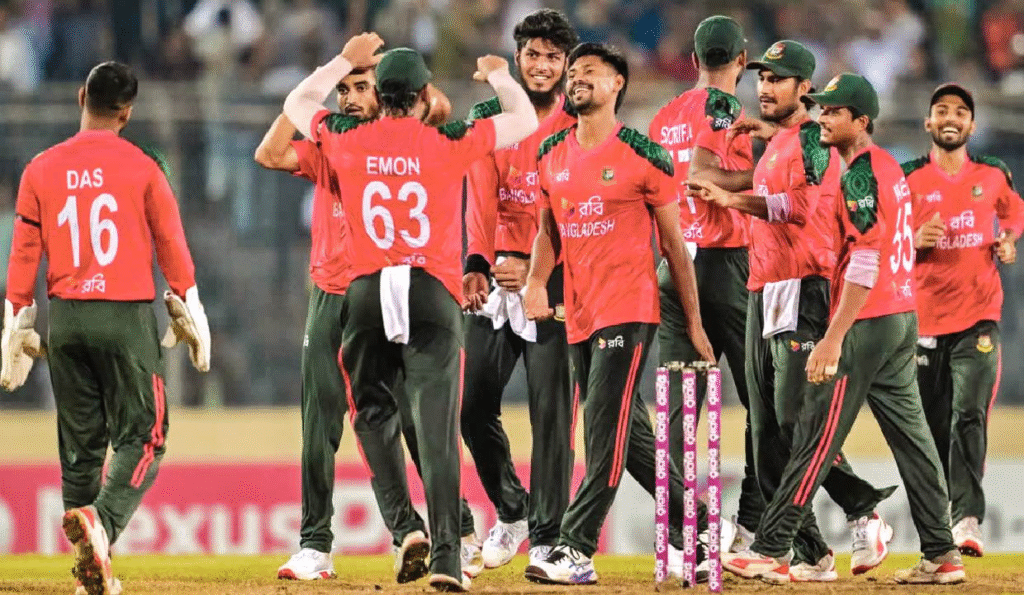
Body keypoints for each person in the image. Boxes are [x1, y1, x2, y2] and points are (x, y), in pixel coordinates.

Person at [283, 33, 539, 591]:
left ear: (379, 94)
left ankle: (406, 528)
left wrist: (341, 62)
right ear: (424, 95)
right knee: (437, 427)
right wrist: (499, 74)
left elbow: (296, 104)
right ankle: (448, 555)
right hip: (430, 291)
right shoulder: (450, 138)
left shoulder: (345, 136)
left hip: (367, 289)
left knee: (371, 413)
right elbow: (524, 119)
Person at [718, 72, 966, 585]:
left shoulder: (859, 175)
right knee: (913, 440)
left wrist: (833, 337)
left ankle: (772, 548)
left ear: (861, 120)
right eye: (822, 109)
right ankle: (942, 553)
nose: (822, 118)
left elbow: (866, 260)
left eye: (833, 111)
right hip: (901, 317)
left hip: (866, 320)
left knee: (814, 433)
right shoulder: (886, 167)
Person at [1, 61, 211, 595]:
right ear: (127, 113)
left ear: (81, 98)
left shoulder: (40, 169)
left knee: (81, 451)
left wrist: (14, 320)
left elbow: (23, 254)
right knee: (147, 436)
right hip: (125, 315)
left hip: (67, 319)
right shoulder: (144, 168)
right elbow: (171, 244)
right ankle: (103, 523)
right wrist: (191, 305)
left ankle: (91, 570)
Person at [686, 40, 894, 579]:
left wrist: (733, 199)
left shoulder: (815, 139)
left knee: (793, 420)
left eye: (778, 79)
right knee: (766, 434)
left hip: (805, 287)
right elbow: (785, 161)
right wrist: (767, 133)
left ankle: (862, 509)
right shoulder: (783, 139)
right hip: (764, 287)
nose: (764, 87)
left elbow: (799, 208)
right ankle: (815, 553)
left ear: (805, 89)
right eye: (761, 77)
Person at [255, 67, 467, 582]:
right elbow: (270, 153)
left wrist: (378, 73)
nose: (349, 98)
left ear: (387, 92)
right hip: (334, 293)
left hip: (386, 294)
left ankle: (449, 530)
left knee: (413, 419)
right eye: (342, 90)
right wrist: (332, 71)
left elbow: (438, 106)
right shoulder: (333, 143)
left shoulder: (410, 139)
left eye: (361, 87)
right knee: (321, 423)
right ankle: (320, 544)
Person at [520, 41, 714, 585]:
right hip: (578, 312)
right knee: (632, 441)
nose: (577, 79)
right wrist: (535, 281)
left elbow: (674, 247)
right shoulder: (550, 153)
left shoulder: (645, 154)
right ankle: (699, 528)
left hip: (628, 310)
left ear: (616, 85)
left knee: (603, 431)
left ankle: (575, 548)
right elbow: (548, 233)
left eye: (590, 71)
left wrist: (694, 324)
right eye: (573, 73)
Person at [460, 8, 579, 574]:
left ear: (566, 64)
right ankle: (513, 511)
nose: (541, 65)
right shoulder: (489, 116)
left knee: (551, 416)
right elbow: (481, 197)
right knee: (472, 408)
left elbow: (575, 209)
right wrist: (478, 264)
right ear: (517, 58)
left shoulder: (578, 122)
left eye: (553, 56)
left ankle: (550, 536)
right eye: (533, 54)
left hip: (556, 278)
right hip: (497, 275)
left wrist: (533, 267)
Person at [647, 15, 763, 553]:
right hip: (725, 261)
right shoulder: (728, 108)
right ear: (741, 61)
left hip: (675, 263)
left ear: (693, 61)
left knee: (678, 409)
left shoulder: (663, 117)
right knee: (764, 396)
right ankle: (758, 524)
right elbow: (706, 177)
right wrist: (765, 174)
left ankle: (679, 532)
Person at [904, 82, 1024, 558]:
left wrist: (1008, 240)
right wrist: (912, 238)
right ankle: (939, 536)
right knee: (933, 431)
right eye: (942, 110)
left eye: (960, 111)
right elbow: (879, 238)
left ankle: (968, 519)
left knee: (969, 414)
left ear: (971, 125)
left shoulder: (992, 173)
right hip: (924, 324)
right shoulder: (907, 178)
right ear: (928, 122)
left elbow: (1013, 214)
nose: (950, 117)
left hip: (979, 318)